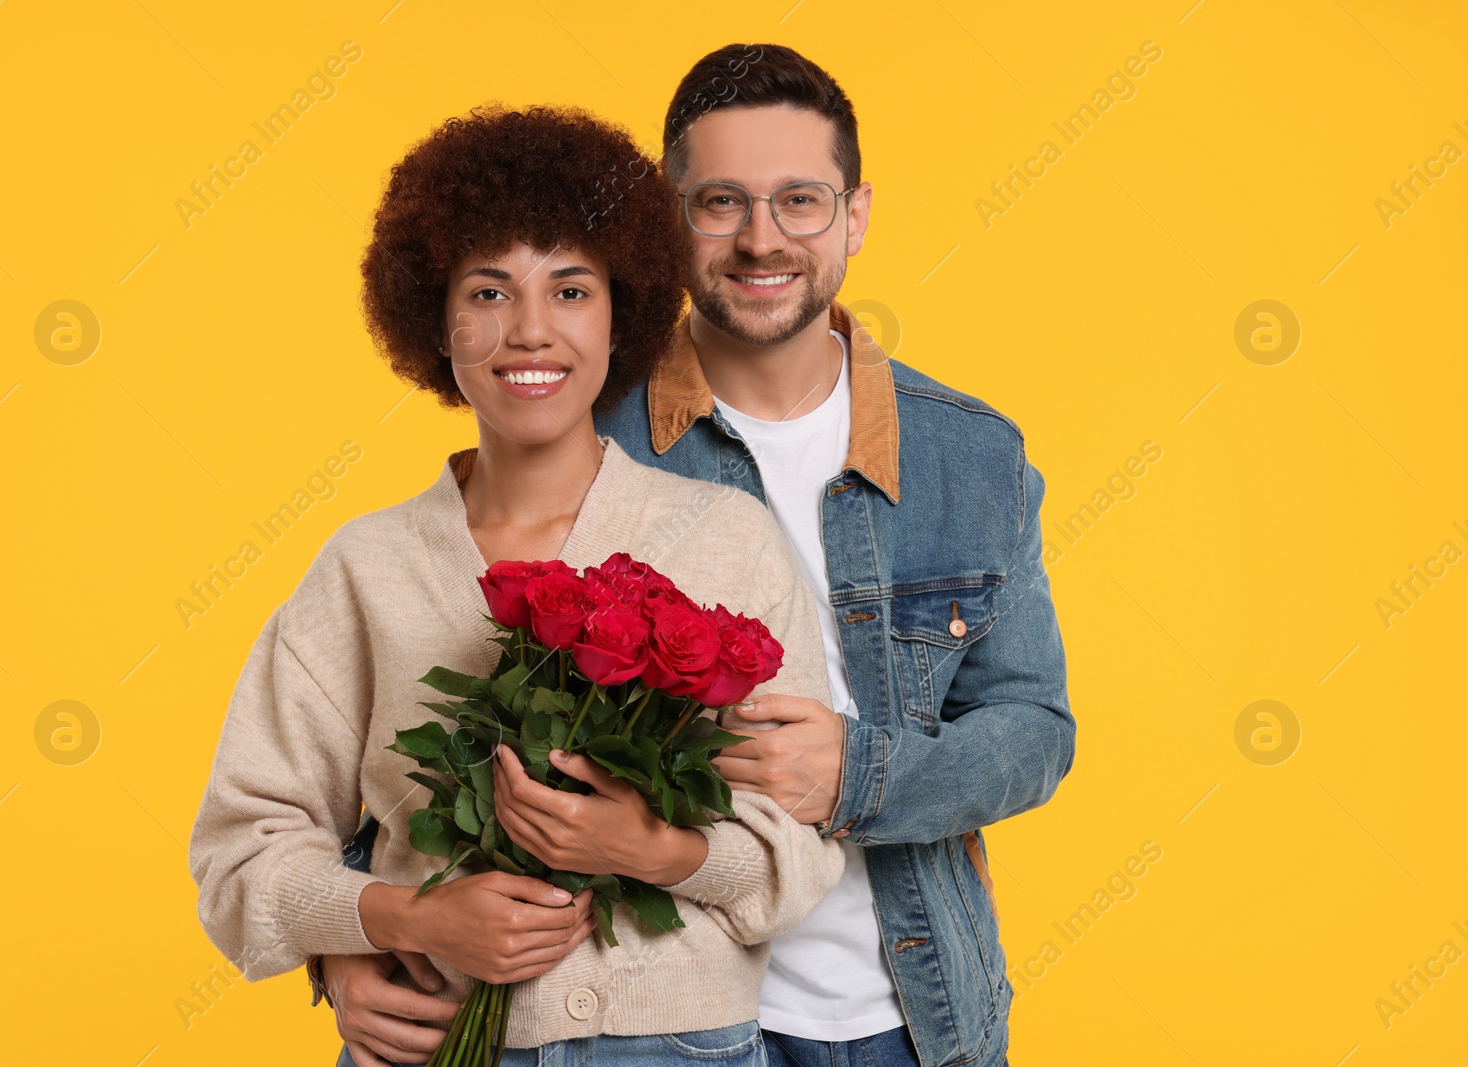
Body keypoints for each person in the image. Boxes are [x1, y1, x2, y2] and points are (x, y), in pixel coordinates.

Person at [323, 44, 1074, 1067]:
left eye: (799, 201)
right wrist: (356, 940)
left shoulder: (971, 455)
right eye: (720, 201)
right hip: (649, 1016)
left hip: (912, 1010)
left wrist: (859, 771)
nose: (760, 240)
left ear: (853, 214)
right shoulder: (582, 425)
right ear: (668, 222)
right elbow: (422, 710)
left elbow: (1033, 730)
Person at [186, 103, 844, 1067]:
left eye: (571, 290)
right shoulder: (367, 566)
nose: (531, 331)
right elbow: (243, 849)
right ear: (434, 318)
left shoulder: (726, 540)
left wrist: (655, 852)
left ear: (624, 309)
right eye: (489, 293)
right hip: (433, 1043)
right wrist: (399, 918)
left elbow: (794, 846)